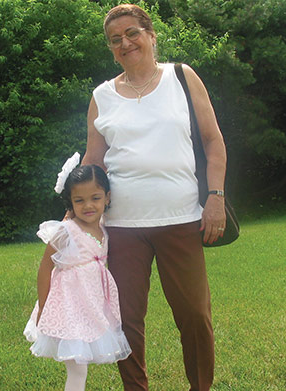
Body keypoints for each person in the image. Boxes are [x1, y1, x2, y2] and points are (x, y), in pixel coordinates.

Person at [81, 4, 227, 391]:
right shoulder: (102, 95)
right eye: (116, 40)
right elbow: (93, 162)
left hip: (182, 218)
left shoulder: (182, 77)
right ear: (111, 49)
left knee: (195, 315)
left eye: (132, 34)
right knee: (126, 318)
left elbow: (213, 141)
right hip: (123, 226)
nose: (125, 43)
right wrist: (77, 217)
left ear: (150, 35)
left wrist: (215, 197)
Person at [23, 152, 131, 391]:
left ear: (107, 197)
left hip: (91, 307)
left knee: (82, 365)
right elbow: (45, 268)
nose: (88, 205)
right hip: (68, 308)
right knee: (78, 367)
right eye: (79, 200)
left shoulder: (104, 227)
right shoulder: (66, 231)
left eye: (95, 197)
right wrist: (42, 307)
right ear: (70, 202)